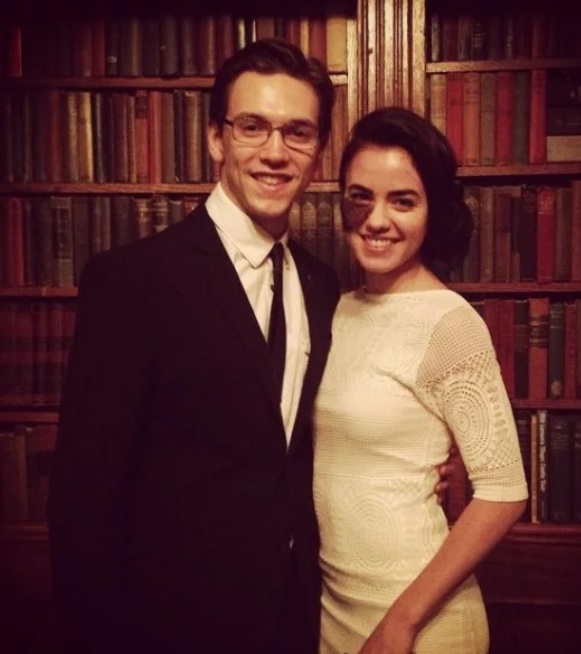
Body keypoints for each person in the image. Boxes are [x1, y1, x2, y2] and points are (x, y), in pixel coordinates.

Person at [48, 38, 339, 654]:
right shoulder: (134, 281)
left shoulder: (322, 286)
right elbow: (84, 495)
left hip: (294, 618)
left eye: (298, 132)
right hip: (168, 626)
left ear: (318, 152)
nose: (275, 152)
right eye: (252, 127)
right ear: (215, 138)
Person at [313, 107, 528, 654]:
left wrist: (402, 623)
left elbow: (505, 493)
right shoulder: (334, 310)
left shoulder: (449, 323)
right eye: (361, 197)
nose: (376, 219)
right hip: (332, 610)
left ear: (432, 212)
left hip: (421, 621)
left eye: (402, 201)